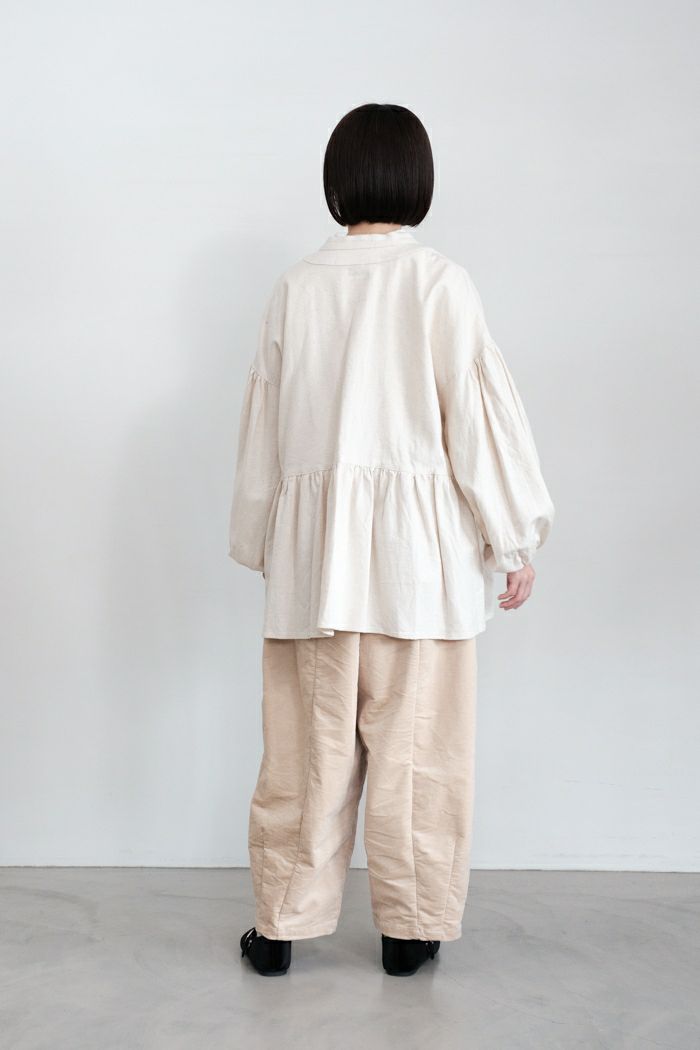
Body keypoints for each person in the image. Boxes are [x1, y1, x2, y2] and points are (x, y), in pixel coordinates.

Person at [228, 103, 555, 977]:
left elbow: (266, 430)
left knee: (304, 755)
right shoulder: (440, 282)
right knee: (420, 759)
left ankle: (281, 928)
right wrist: (512, 538)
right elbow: (474, 421)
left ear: (337, 180)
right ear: (418, 180)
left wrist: (265, 541)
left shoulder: (296, 287)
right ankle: (410, 933)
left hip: (316, 570)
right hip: (422, 570)